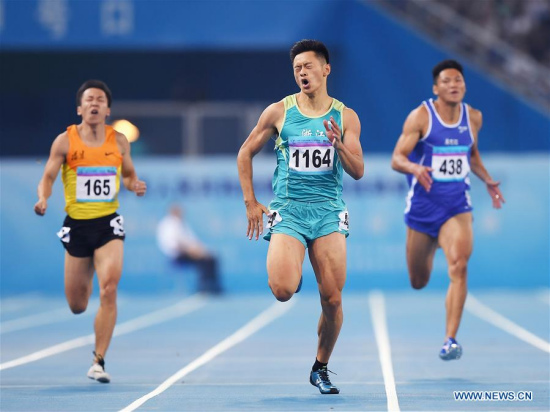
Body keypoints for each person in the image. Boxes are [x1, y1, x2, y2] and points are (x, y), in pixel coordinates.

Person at [237, 39, 364, 394]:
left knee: (333, 299)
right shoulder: (278, 112)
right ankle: (293, 272)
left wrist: (339, 146)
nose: (302, 73)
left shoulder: (345, 116)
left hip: (328, 212)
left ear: (326, 69)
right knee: (282, 290)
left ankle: (320, 366)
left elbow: (359, 170)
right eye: (296, 69)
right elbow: (244, 154)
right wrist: (251, 201)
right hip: (289, 210)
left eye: (308, 66)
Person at [391, 60, 505, 361]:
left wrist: (487, 179)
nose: (454, 84)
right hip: (423, 208)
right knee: (419, 280)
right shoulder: (421, 117)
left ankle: (450, 339)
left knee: (459, 265)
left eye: (458, 80)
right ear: (436, 88)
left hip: (457, 206)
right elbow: (396, 158)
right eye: (447, 80)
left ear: (464, 85)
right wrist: (415, 167)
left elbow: (472, 155)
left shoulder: (474, 117)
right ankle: (429, 249)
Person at [34, 79, 147, 383]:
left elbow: (128, 174)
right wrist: (43, 197)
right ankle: (83, 298)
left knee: (109, 288)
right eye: (89, 99)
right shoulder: (65, 141)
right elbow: (47, 176)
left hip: (108, 223)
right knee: (77, 304)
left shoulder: (119, 141)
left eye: (99, 99)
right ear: (80, 108)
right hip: (76, 226)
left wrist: (132, 185)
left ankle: (98, 360)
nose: (94, 103)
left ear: (107, 108)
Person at [156, 204, 222, 294]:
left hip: (188, 251)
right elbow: (173, 244)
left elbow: (193, 240)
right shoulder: (168, 224)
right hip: (178, 254)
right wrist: (190, 250)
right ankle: (203, 287)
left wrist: (202, 249)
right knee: (203, 260)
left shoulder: (182, 223)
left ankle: (213, 285)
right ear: (173, 211)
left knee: (211, 258)